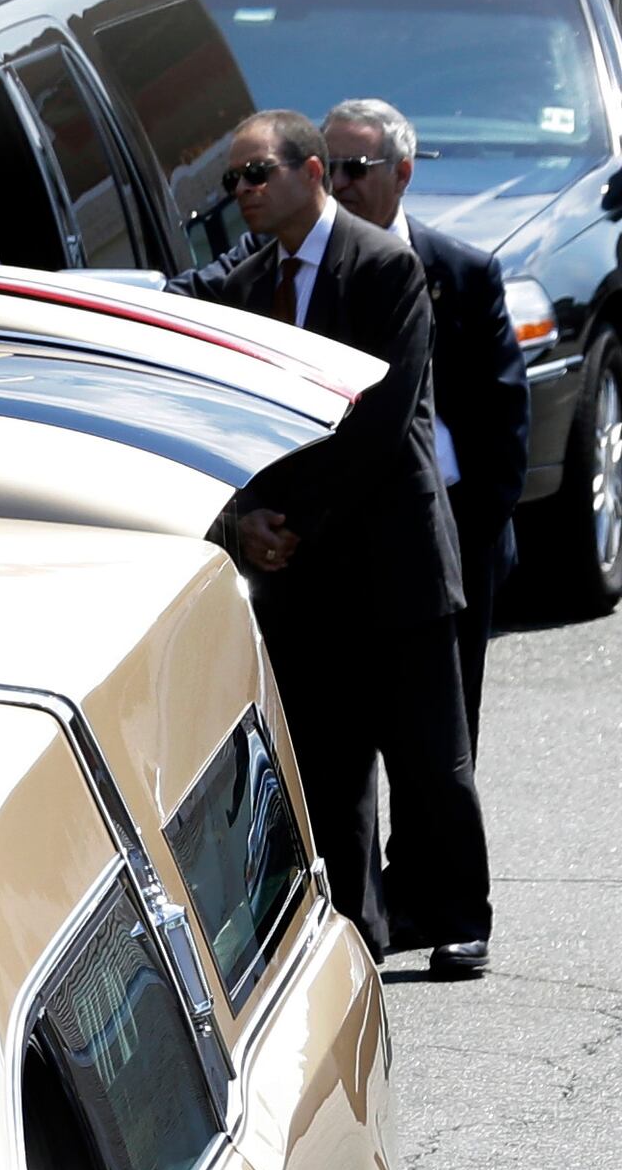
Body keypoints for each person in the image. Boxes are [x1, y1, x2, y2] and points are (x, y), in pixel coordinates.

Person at [174, 109, 492, 979]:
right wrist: (247, 526)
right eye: (233, 181)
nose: (239, 194)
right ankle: (355, 932)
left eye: (254, 176)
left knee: (431, 760)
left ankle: (461, 913)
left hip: (393, 563)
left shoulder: (385, 266)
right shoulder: (252, 274)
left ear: (309, 172)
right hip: (306, 581)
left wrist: (289, 523)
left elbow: (373, 427)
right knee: (328, 769)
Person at [327, 98, 528, 755]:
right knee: (344, 737)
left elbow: (504, 415)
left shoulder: (465, 273)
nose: (340, 183)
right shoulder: (301, 273)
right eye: (327, 167)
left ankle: (433, 862)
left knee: (443, 745)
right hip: (341, 532)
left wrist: (475, 529)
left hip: (453, 532)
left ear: (403, 173)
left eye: (356, 166)